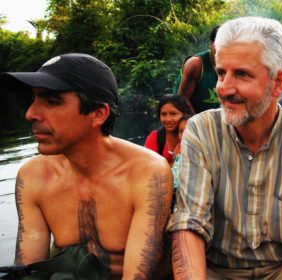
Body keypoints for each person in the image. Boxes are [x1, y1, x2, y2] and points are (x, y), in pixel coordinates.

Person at [167, 16, 282, 279]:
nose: (224, 88)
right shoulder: (201, 129)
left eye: (241, 74)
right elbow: (189, 224)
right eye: (221, 73)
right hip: (216, 271)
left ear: (278, 82)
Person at [0, 53, 173, 279]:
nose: (30, 114)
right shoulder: (33, 175)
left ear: (98, 114)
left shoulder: (146, 172)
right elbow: (30, 270)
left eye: (52, 102)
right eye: (33, 100)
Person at [174, 26, 220, 114]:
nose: (222, 48)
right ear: (211, 44)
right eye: (219, 44)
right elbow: (182, 99)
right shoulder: (196, 64)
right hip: (187, 119)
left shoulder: (230, 64)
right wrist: (197, 124)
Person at [144, 94, 187, 166]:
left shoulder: (193, 135)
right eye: (163, 114)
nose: (168, 119)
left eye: (173, 114)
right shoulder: (155, 138)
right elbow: (149, 166)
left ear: (184, 114)